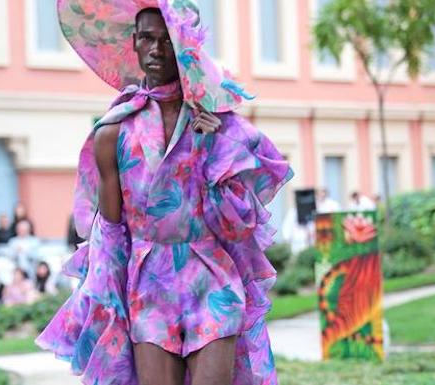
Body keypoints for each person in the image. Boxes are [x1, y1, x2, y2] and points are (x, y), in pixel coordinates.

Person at [37, 3, 292, 385]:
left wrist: (212, 151)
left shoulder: (219, 127)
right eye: (146, 39)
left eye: (165, 39)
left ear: (184, 47)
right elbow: (111, 233)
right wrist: (104, 305)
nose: (155, 50)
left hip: (211, 277)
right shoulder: (114, 133)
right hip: (149, 284)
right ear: (134, 45)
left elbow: (239, 226)